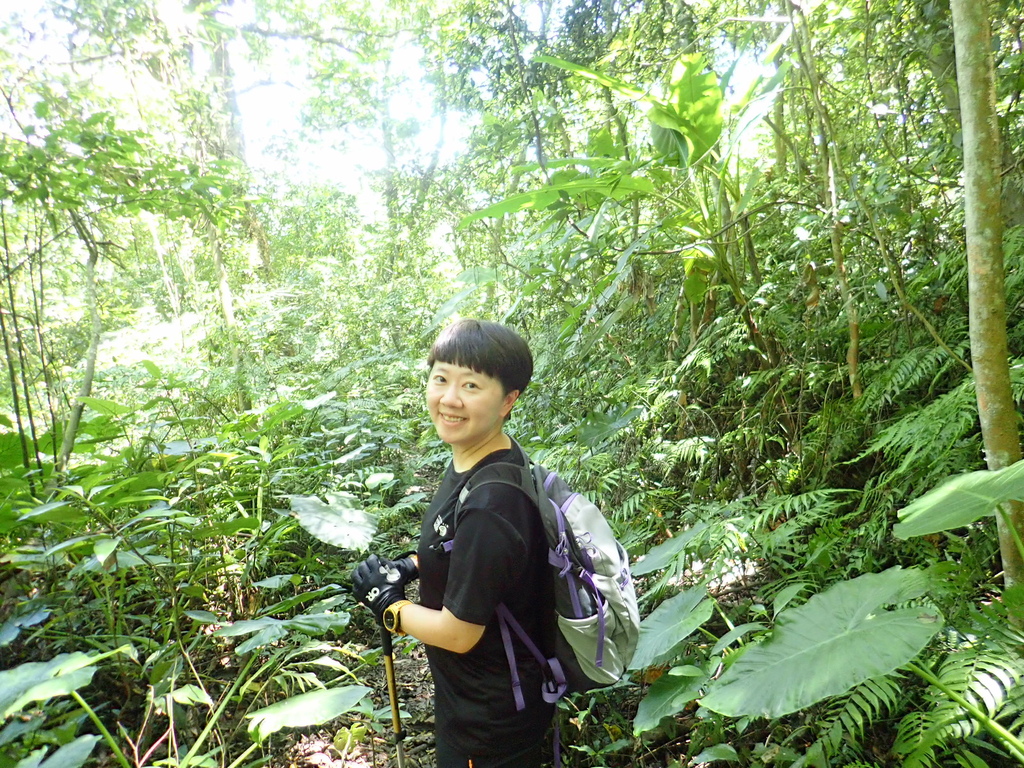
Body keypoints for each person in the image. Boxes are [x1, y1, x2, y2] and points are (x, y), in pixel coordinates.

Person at [351, 318, 555, 768]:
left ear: (508, 400)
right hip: (484, 697)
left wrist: (389, 607)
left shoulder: (491, 503)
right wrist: (411, 565)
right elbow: (469, 554)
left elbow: (459, 633)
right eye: (441, 378)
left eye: (471, 385)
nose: (449, 398)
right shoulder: (482, 457)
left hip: (489, 721)